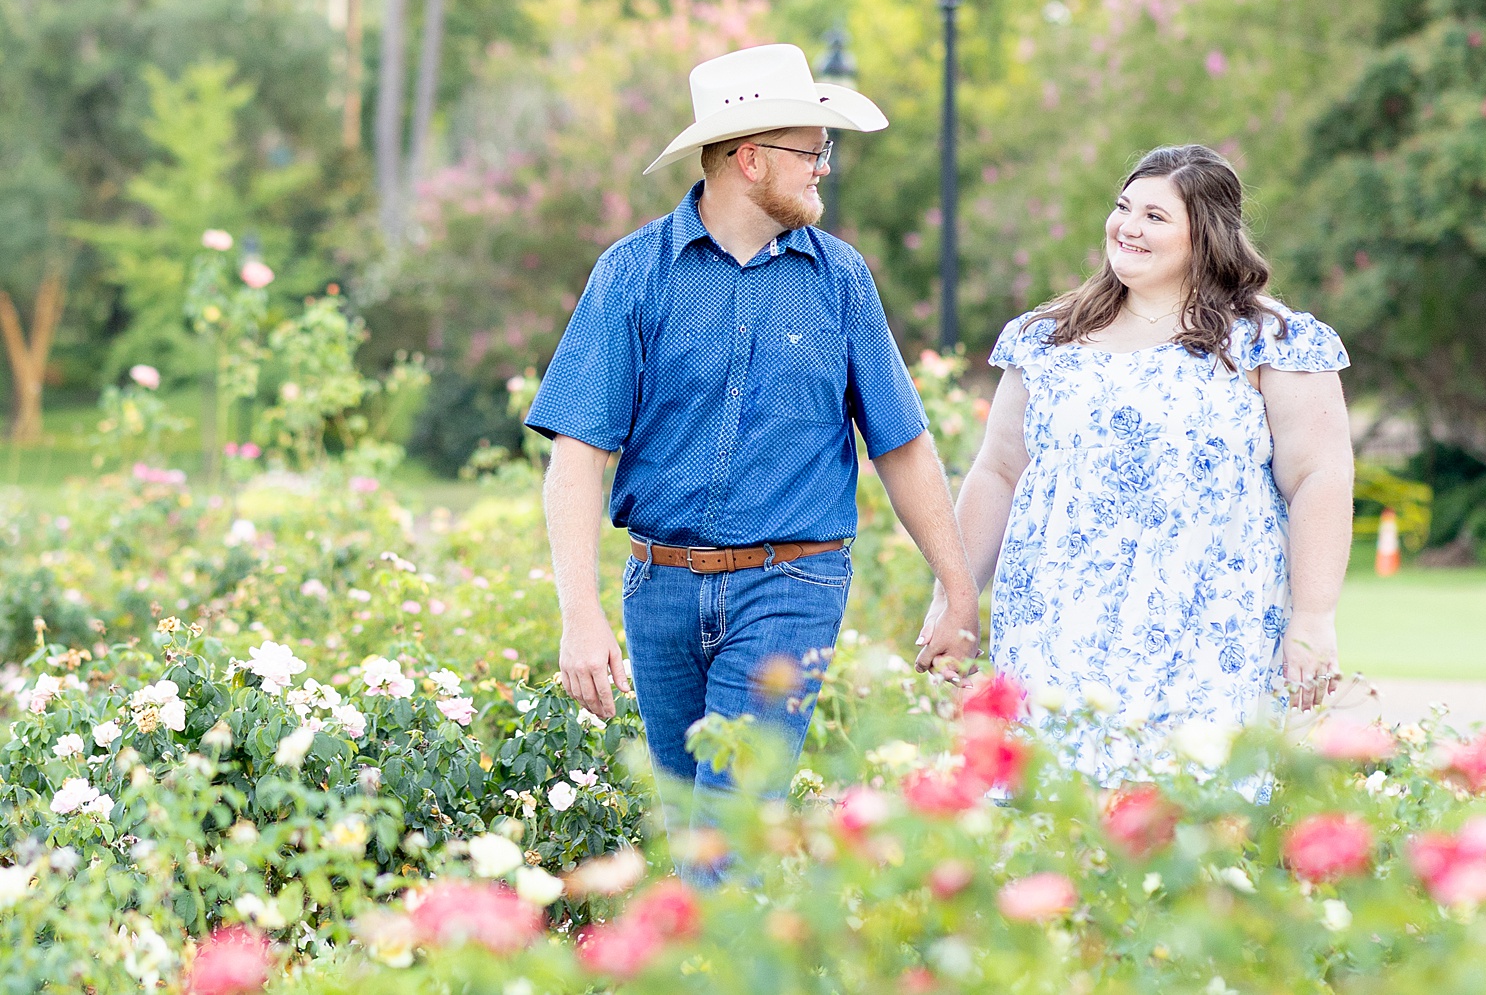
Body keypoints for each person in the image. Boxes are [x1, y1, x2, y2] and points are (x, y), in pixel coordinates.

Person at [526, 43, 981, 829]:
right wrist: (581, 614)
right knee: (693, 830)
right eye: (812, 152)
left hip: (790, 584)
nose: (824, 169)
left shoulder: (841, 281)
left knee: (729, 828)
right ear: (749, 159)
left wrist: (958, 588)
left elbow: (900, 444)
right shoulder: (633, 275)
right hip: (659, 588)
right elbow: (577, 458)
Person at [933, 143, 1354, 759]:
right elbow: (997, 473)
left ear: (1205, 236)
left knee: (1190, 819)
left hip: (1211, 628)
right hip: (1053, 627)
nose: (1127, 227)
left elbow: (1321, 476)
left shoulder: (1272, 341)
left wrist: (1314, 619)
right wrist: (955, 600)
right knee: (1054, 817)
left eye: (1155, 217)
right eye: (1124, 207)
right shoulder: (1046, 339)